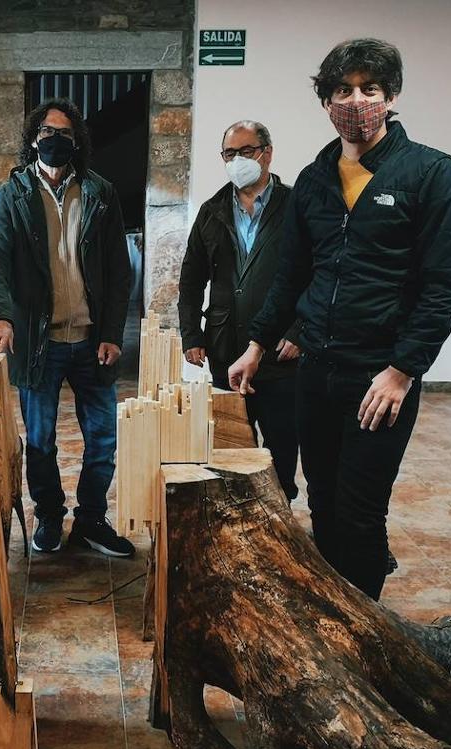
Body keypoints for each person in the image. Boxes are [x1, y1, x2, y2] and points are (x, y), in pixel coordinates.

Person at [229, 39, 451, 600]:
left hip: (379, 376)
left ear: (391, 97)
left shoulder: (430, 173)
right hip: (317, 371)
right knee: (323, 503)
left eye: (369, 89)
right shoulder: (315, 180)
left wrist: (403, 370)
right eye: (343, 90)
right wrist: (257, 345)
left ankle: (365, 640)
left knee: (361, 510)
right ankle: (336, 620)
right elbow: (291, 276)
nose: (355, 101)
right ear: (326, 102)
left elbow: (447, 287)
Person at [0, 97, 135, 557]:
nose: (54, 140)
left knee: (103, 438)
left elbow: (118, 271)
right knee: (42, 441)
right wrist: (0, 315)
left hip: (91, 341)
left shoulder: (101, 193)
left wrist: (111, 332)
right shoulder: (11, 196)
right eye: (46, 132)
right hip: (38, 343)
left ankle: (90, 520)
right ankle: (48, 513)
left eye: (64, 134)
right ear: (32, 139)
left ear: (77, 141)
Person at [178, 119, 301, 501]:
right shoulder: (212, 210)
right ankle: (239, 513)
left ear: (267, 153)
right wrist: (191, 335)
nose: (237, 160)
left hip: (281, 352)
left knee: (281, 443)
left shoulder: (296, 205)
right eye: (230, 153)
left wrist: (300, 331)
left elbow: (318, 273)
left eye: (246, 151)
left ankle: (280, 512)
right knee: (230, 443)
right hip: (225, 345)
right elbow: (191, 278)